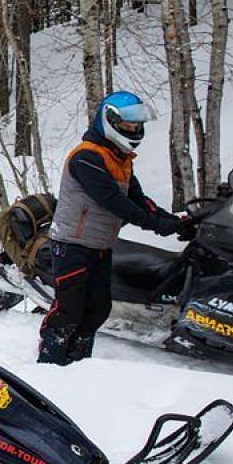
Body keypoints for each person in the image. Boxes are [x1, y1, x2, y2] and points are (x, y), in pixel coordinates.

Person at [39, 91, 190, 365]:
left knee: (98, 310)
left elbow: (139, 200)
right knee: (68, 312)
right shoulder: (87, 158)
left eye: (137, 125)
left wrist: (176, 222)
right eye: (129, 125)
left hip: (99, 247)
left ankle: (77, 364)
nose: (134, 130)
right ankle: (50, 363)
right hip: (72, 246)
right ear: (109, 121)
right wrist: (158, 226)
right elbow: (115, 203)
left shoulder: (120, 158)